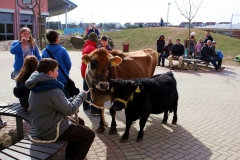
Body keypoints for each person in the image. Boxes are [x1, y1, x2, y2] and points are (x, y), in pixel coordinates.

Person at [25, 58, 95, 160]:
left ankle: (72, 152)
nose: (57, 74)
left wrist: (72, 99)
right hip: (51, 131)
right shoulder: (52, 90)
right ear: (50, 73)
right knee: (89, 134)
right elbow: (69, 110)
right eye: (56, 71)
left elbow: (54, 103)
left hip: (41, 125)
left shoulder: (36, 85)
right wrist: (81, 96)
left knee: (80, 121)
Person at [42, 30, 72, 99]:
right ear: (56, 39)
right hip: (63, 78)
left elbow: (42, 65)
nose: (59, 38)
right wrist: (65, 72)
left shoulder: (44, 51)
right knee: (66, 100)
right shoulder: (63, 50)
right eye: (58, 37)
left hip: (49, 79)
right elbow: (68, 64)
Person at [81, 32, 99, 115]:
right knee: (92, 90)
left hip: (84, 71)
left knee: (86, 90)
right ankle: (94, 109)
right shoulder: (92, 48)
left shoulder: (86, 46)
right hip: (90, 73)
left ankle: (86, 106)